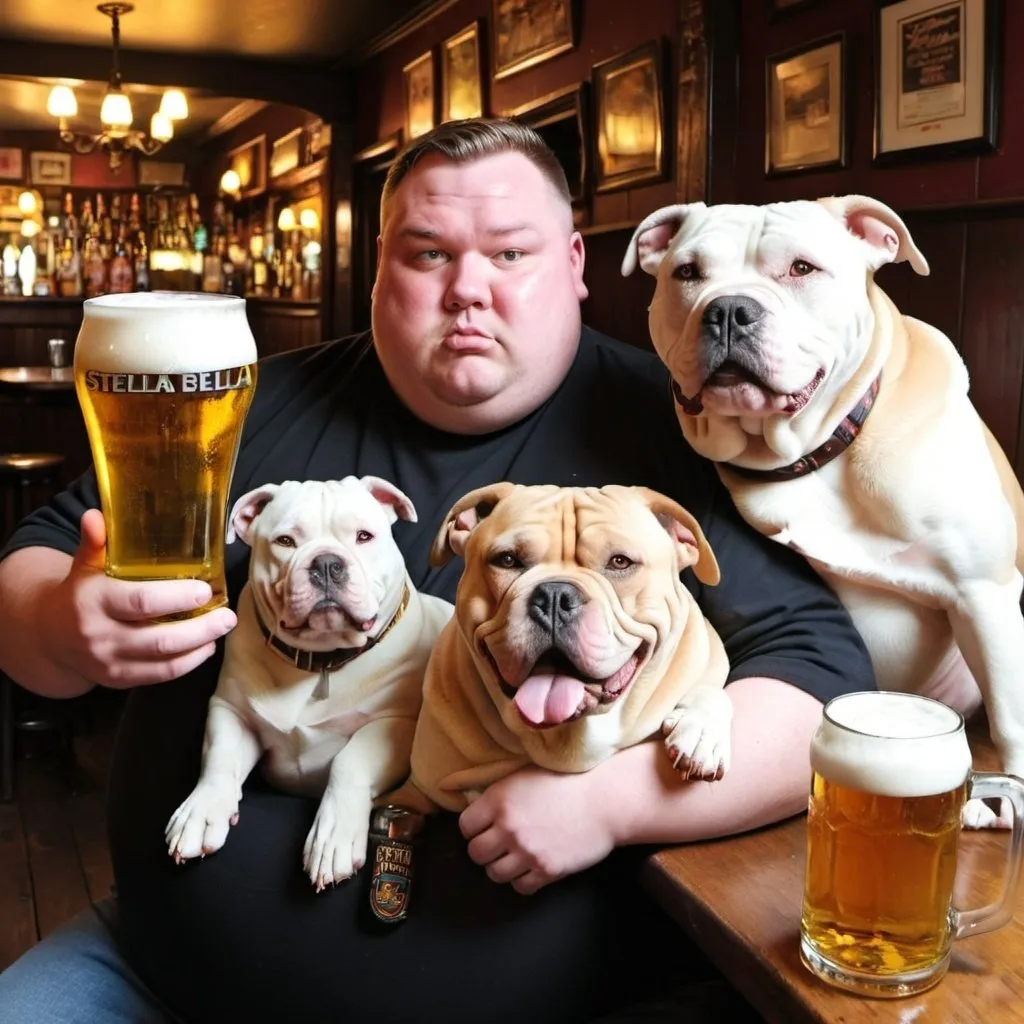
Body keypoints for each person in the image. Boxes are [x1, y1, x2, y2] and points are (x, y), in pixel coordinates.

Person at [0, 119, 874, 1024]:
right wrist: (66, 628)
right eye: (427, 254)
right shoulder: (245, 404)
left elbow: (825, 682)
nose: (468, 290)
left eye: (509, 253)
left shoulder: (683, 428)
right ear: (379, 266)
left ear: (574, 263)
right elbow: (30, 572)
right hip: (156, 979)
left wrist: (613, 805)